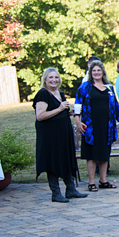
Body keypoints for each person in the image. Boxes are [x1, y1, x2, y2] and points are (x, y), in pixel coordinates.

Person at [33, 67, 86, 203]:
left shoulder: (59, 93)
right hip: (50, 136)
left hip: (63, 134)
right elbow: (40, 116)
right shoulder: (43, 94)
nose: (54, 80)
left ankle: (71, 189)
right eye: (50, 77)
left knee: (66, 158)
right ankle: (55, 193)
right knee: (53, 161)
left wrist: (70, 112)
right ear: (45, 79)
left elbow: (60, 112)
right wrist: (60, 108)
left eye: (56, 77)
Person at [75, 60, 119, 192]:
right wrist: (78, 121)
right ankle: (91, 182)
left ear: (103, 72)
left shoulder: (109, 87)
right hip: (90, 126)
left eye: (99, 70)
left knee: (104, 153)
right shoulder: (85, 87)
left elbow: (115, 105)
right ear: (91, 73)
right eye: (94, 70)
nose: (96, 73)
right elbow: (77, 105)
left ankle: (103, 180)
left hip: (106, 126)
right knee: (91, 155)